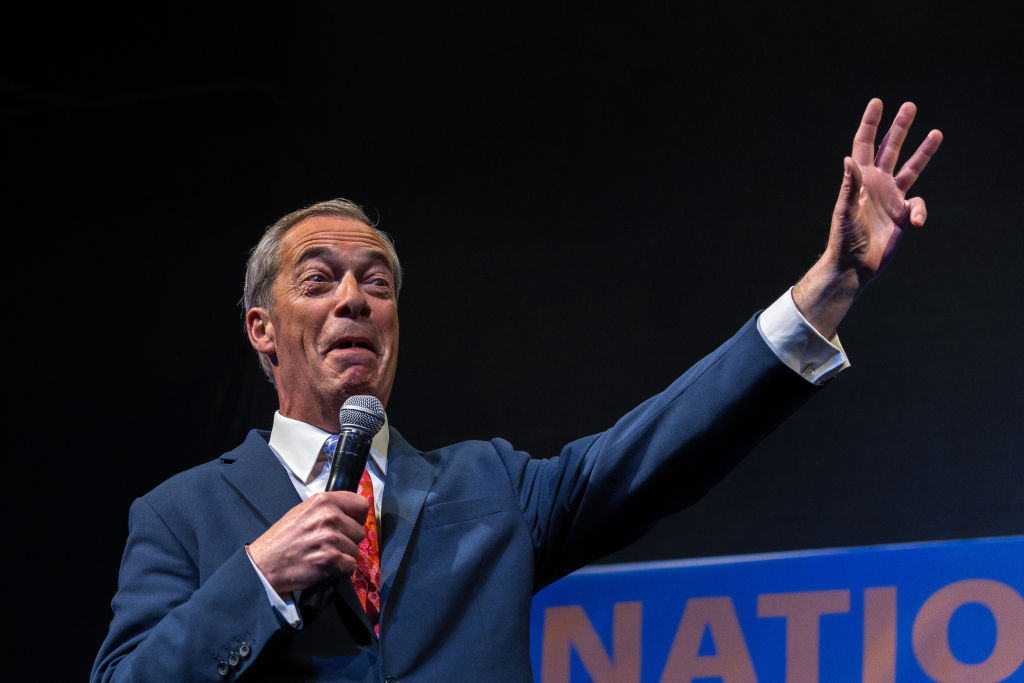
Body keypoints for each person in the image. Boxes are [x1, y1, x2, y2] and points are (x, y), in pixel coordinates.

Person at [92, 98, 942, 682]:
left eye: (377, 282)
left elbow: (664, 443)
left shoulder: (490, 488)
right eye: (318, 280)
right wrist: (260, 576)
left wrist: (831, 286)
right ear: (261, 328)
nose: (353, 298)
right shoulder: (179, 515)